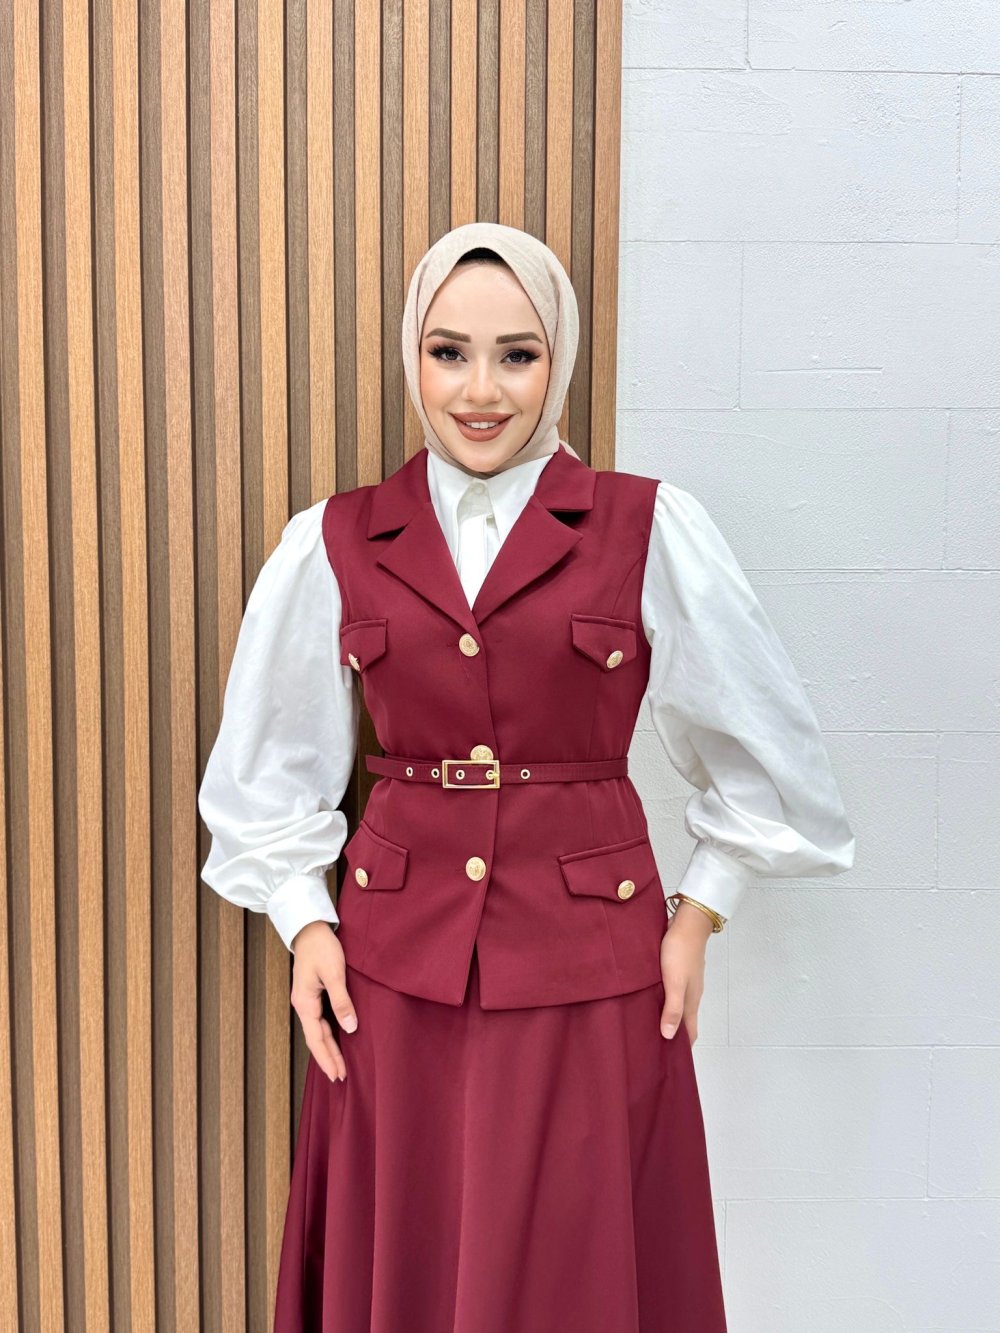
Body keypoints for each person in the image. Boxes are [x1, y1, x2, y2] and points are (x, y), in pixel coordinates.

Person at [198, 221, 855, 1332]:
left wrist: (699, 915)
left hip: (593, 972)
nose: (480, 390)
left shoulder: (647, 526)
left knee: (573, 1263)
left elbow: (768, 755)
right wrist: (304, 921)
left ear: (561, 359)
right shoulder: (335, 540)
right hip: (391, 980)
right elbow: (266, 770)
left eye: (518, 354)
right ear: (412, 358)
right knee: (409, 1251)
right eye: (448, 352)